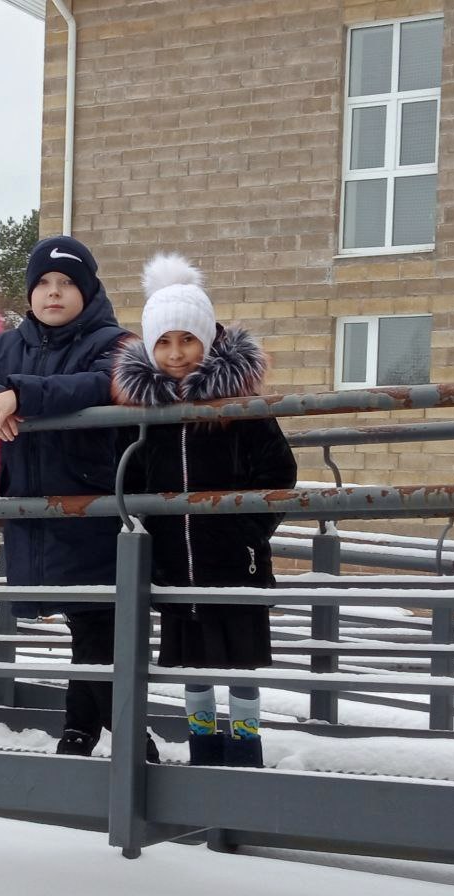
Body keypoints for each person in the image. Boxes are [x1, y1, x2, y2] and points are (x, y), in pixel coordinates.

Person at [0, 236, 140, 759]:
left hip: (93, 508)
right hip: (36, 512)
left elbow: (98, 385)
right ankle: (90, 731)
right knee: (89, 629)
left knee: (98, 624)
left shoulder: (115, 342)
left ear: (88, 291)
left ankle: (110, 735)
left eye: (67, 283)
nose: (53, 293)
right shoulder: (6, 347)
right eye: (44, 283)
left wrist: (21, 395)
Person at [112, 253, 296, 767]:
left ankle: (245, 750)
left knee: (241, 665)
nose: (176, 354)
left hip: (235, 561)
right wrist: (149, 531)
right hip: (175, 563)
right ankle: (203, 749)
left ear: (209, 340)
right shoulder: (143, 412)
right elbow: (129, 477)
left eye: (188, 339)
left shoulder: (241, 406)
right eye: (164, 342)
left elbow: (278, 471)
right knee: (193, 667)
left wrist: (248, 531)